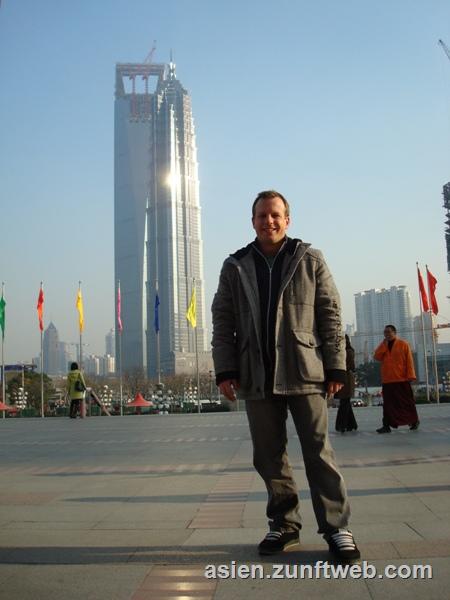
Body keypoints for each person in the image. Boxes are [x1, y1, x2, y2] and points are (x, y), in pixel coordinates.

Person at [211, 190, 360, 563]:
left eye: (275, 215)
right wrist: (225, 369)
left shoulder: (310, 259)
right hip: (255, 374)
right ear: (253, 221)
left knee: (318, 451)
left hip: (305, 371)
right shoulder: (236, 265)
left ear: (287, 219)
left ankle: (337, 528)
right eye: (262, 216)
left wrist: (336, 365)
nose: (269, 222)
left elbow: (330, 314)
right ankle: (284, 524)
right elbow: (223, 320)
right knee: (268, 455)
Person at [373, 325, 419, 433]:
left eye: (389, 332)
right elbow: (377, 357)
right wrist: (384, 345)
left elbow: (409, 361)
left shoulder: (403, 344)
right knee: (388, 405)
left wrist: (411, 375)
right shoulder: (383, 345)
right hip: (388, 379)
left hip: (401, 379)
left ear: (394, 332)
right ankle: (386, 425)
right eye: (385, 332)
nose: (387, 334)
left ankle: (414, 421)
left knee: (406, 403)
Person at [335, 335, 358, 433]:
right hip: (345, 377)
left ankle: (343, 425)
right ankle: (351, 425)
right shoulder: (347, 350)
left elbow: (349, 366)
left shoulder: (347, 351)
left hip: (346, 378)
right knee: (345, 402)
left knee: (344, 402)